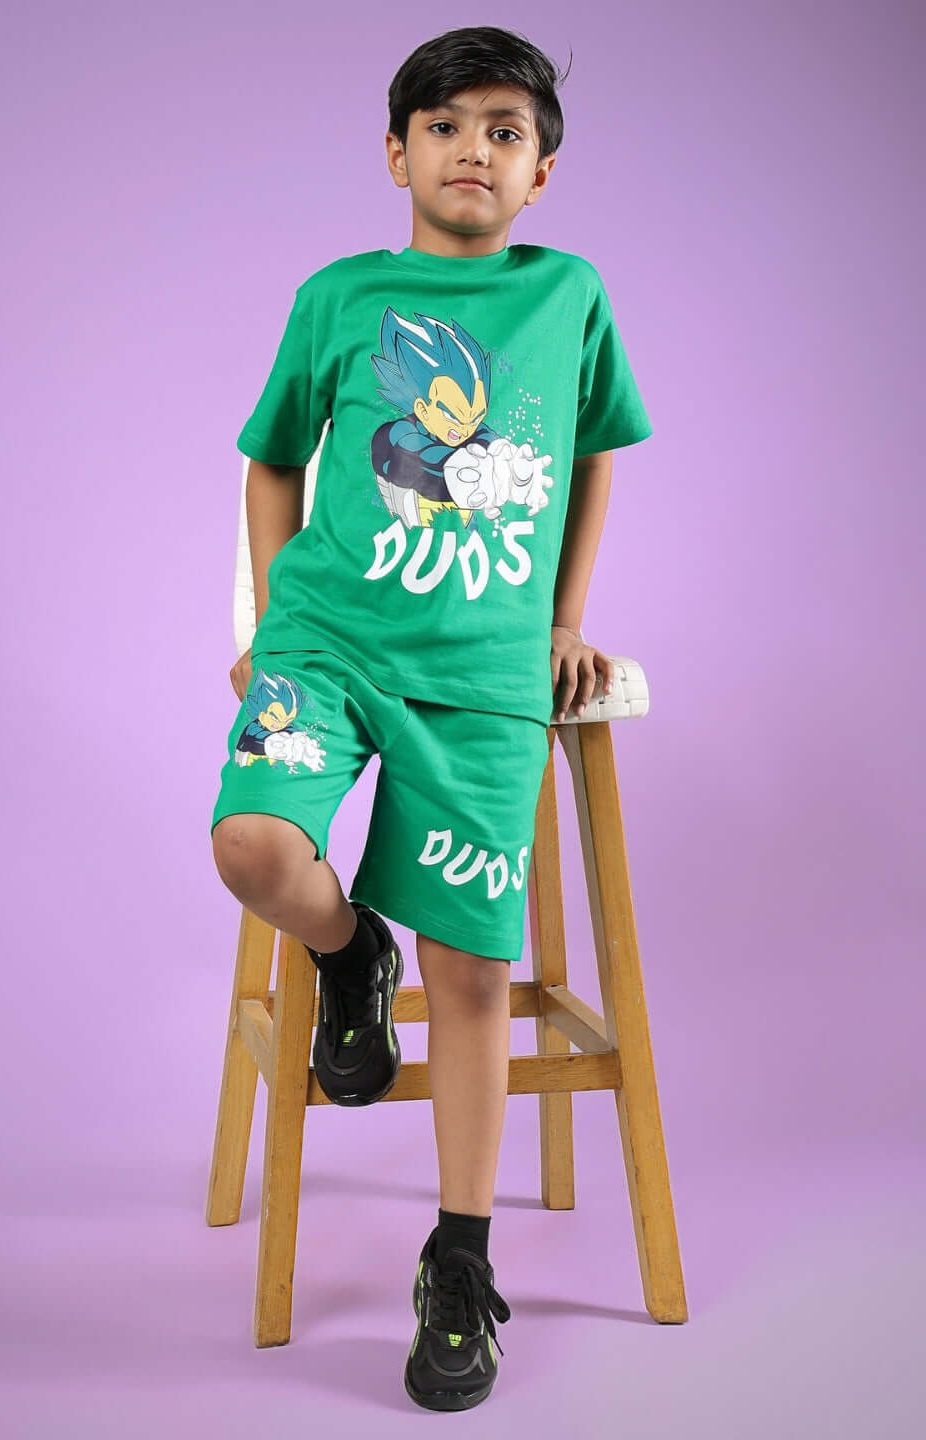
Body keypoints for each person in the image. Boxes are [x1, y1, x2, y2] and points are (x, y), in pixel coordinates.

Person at [210, 24, 653, 1412]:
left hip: (484, 678)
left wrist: (565, 620)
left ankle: (459, 1258)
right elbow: (271, 462)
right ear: (395, 152)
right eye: (446, 126)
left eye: (505, 132)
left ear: (542, 171)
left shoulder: (569, 294)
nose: (474, 149)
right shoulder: (341, 295)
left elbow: (594, 454)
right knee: (253, 849)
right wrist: (276, 617)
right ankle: (349, 950)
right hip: (329, 648)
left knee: (469, 969)